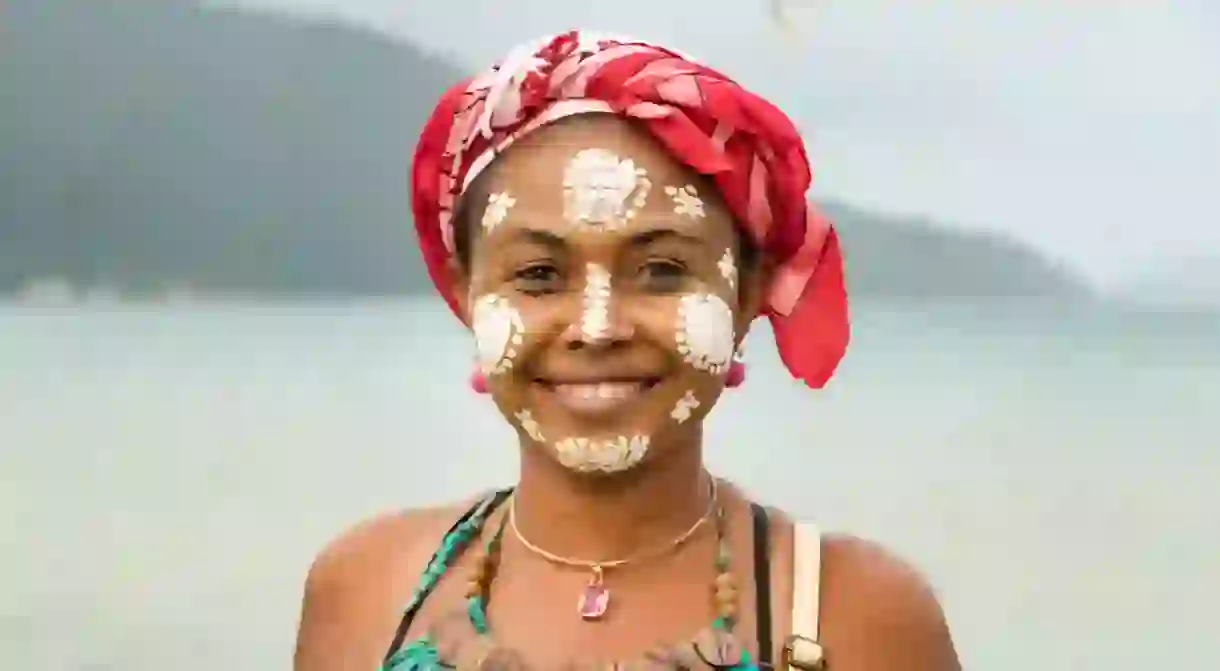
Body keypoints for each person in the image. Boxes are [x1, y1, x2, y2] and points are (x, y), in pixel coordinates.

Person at [293, 30, 960, 671]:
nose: (598, 325)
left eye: (662, 269)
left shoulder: (856, 616)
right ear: (465, 292)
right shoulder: (365, 591)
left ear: (747, 292)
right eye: (539, 275)